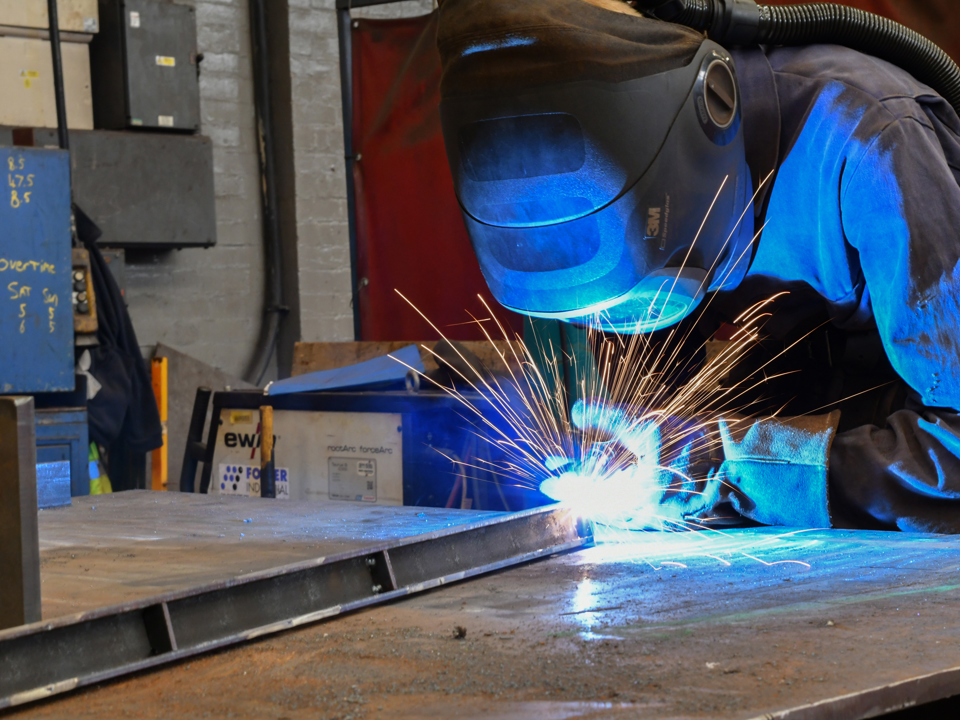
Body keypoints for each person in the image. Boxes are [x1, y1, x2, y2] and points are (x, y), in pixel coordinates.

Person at [436, 0, 960, 532]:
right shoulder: (648, 211)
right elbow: (669, 410)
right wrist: (640, 460)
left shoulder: (870, 140)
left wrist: (725, 468)